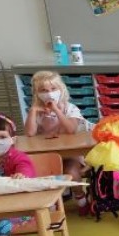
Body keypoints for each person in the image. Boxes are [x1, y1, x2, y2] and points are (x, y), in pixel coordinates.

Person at [24, 70, 89, 211]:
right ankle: (52, 204)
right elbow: (29, 133)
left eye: (53, 89)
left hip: (70, 154)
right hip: (47, 155)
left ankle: (80, 197)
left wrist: (56, 110)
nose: (49, 93)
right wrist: (33, 111)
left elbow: (71, 129)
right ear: (37, 93)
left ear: (61, 89)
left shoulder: (70, 108)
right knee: (44, 176)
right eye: (44, 90)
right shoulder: (38, 113)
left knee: (71, 172)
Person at [0, 114, 35, 236]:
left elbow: (26, 168)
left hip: (21, 211)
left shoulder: (16, 157)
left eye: (2, 136)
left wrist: (22, 175)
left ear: (13, 139)